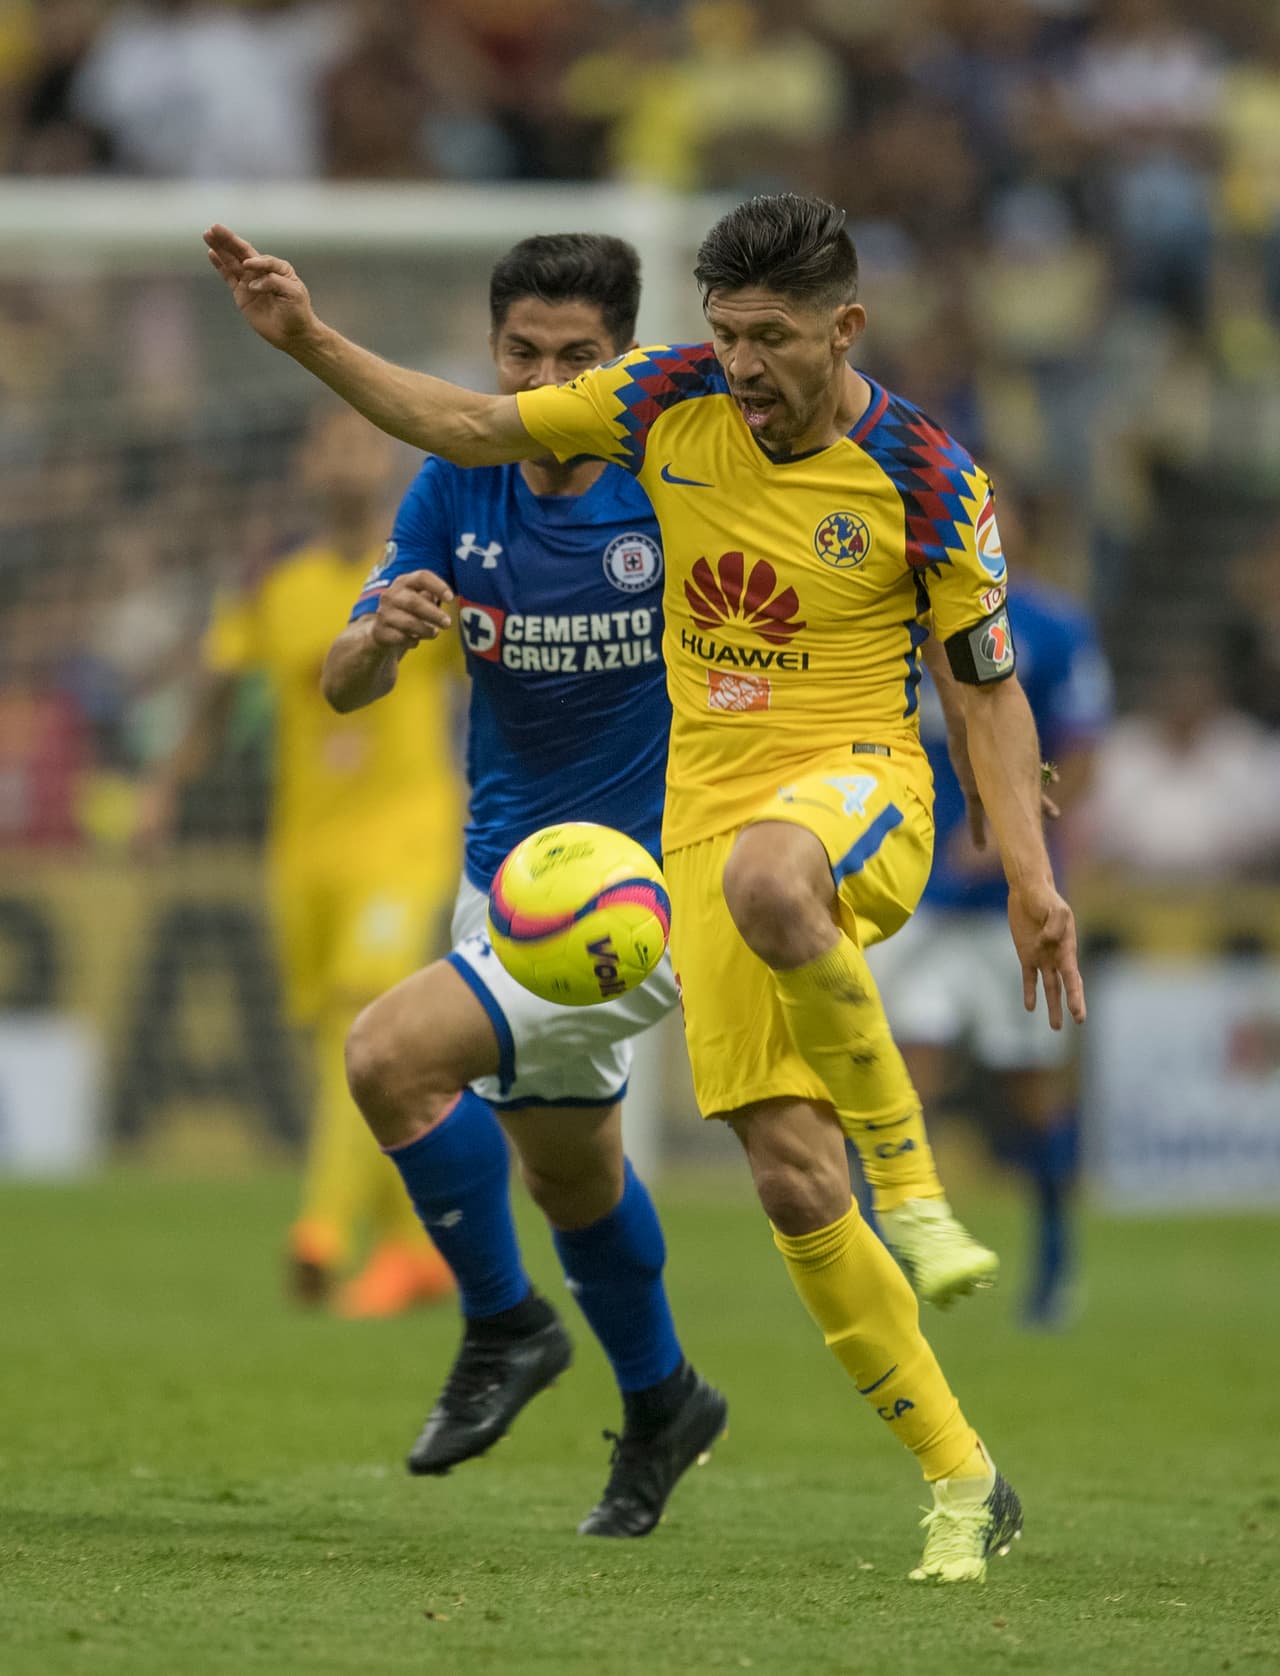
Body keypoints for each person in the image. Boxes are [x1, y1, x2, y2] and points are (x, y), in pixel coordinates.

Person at [204, 192, 1088, 1583]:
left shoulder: (915, 473)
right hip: (620, 867)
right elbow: (460, 433)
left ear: (845, 328)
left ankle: (897, 1196)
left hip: (787, 825)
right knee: (750, 1180)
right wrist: (310, 339)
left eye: (774, 338)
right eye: (726, 333)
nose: (742, 366)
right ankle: (938, 1470)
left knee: (744, 895)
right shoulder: (651, 411)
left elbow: (983, 692)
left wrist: (1031, 872)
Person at [321, 232, 726, 1539]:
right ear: (493, 354)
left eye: (577, 358)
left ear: (624, 360)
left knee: (386, 1059)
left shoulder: (676, 479)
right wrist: (377, 638)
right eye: (522, 355)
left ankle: (505, 1327)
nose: (546, 379)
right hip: (503, 887)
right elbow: (337, 682)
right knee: (572, 1178)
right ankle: (665, 1400)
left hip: (632, 901)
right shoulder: (456, 485)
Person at [136, 407, 461, 1317]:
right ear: (307, 463)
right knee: (347, 1047)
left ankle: (320, 1228)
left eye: (362, 442)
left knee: (365, 1013)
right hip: (305, 846)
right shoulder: (272, 582)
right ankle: (413, 1252)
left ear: (387, 458)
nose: (347, 458)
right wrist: (165, 787)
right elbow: (216, 687)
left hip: (407, 834)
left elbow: (493, 673)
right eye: (330, 441)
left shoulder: (424, 568)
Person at [868, 525, 1112, 1327]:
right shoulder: (903, 618)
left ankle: (1054, 1260)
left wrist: (1018, 840)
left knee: (1031, 1091)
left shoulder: (1053, 626)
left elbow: (1078, 756)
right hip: (914, 892)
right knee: (908, 1075)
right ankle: (891, 1266)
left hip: (1010, 899)